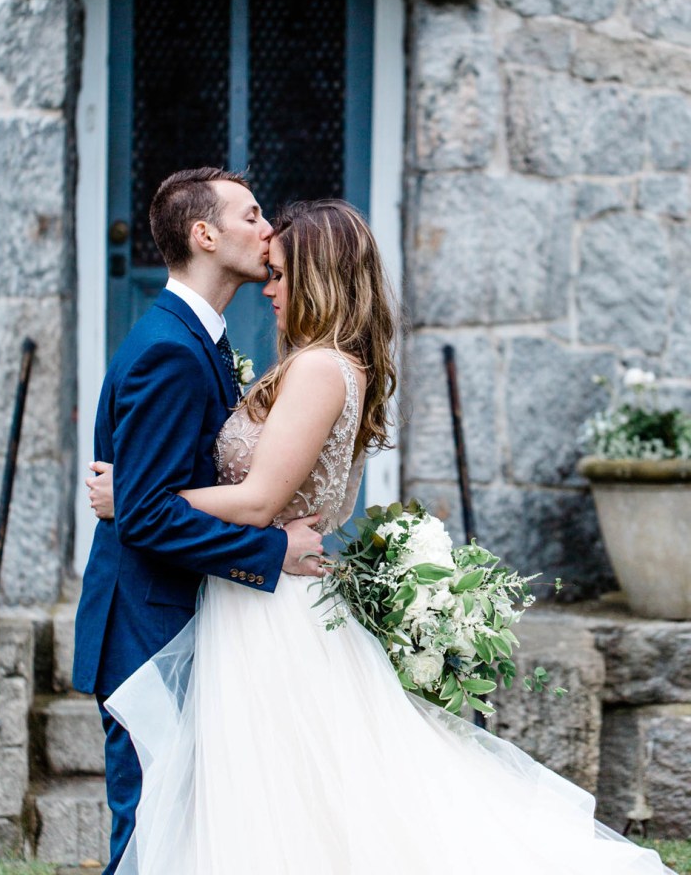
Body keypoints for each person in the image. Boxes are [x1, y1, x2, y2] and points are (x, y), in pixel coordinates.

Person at [93, 200, 662, 875]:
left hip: (268, 612)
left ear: (318, 279)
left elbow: (260, 499)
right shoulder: (328, 365)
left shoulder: (317, 369)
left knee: (283, 800)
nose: (269, 290)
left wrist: (136, 498)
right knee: (284, 798)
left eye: (281, 276)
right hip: (253, 600)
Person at [72, 168, 325, 875]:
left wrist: (137, 495)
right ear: (204, 235)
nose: (268, 229)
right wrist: (272, 551)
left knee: (182, 833)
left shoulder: (198, 341)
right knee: (151, 832)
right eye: (252, 215)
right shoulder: (170, 350)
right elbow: (148, 518)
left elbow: (150, 495)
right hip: (145, 627)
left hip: (173, 616)